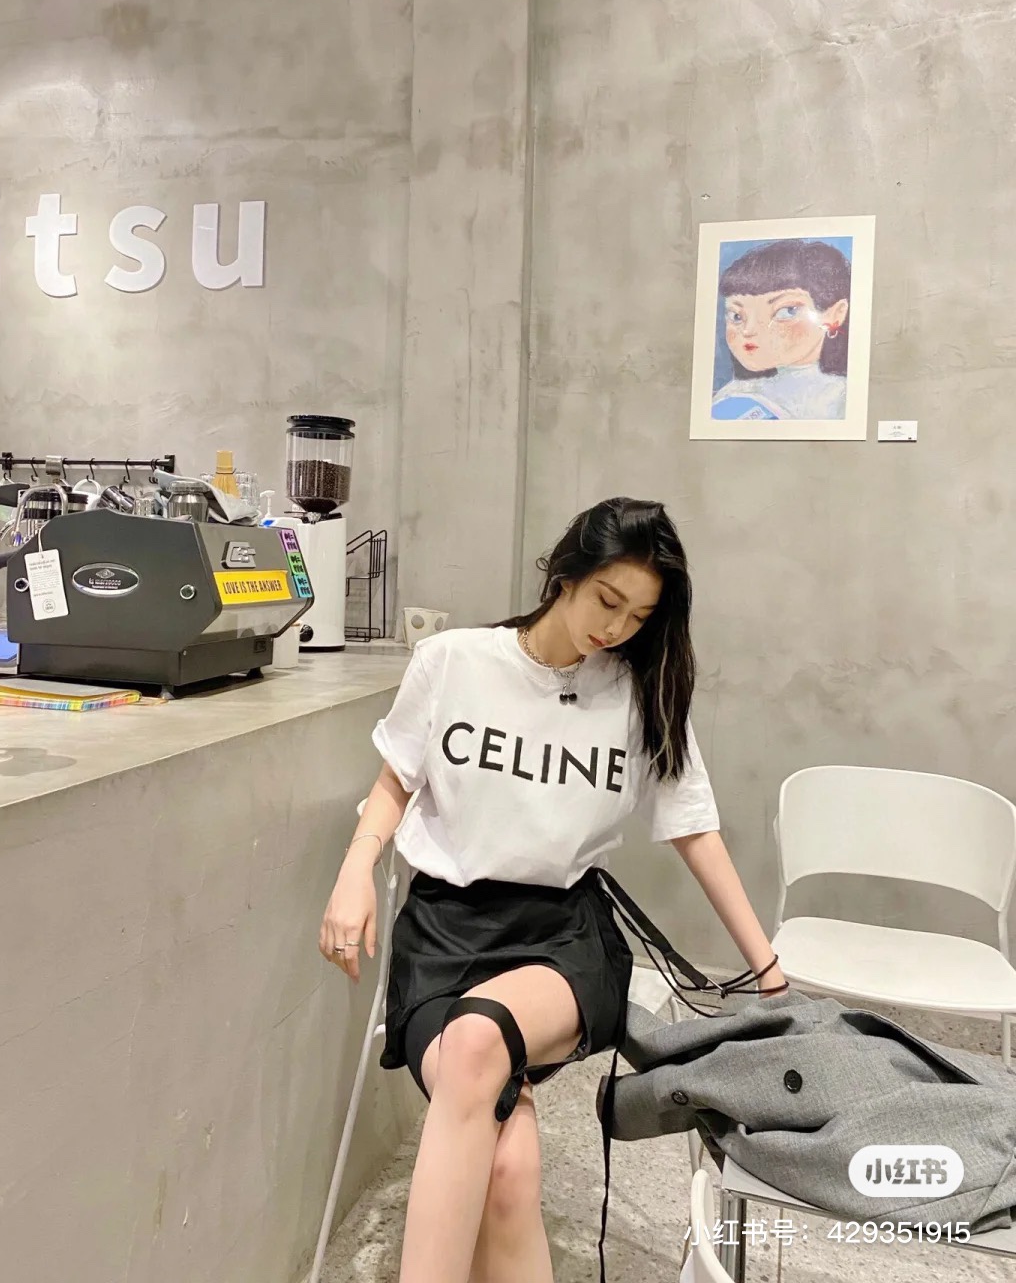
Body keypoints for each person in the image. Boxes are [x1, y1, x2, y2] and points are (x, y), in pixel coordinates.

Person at [319, 498, 787, 1283]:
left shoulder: (641, 695)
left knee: (476, 1043)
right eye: (608, 600)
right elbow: (397, 778)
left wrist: (766, 970)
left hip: (561, 940)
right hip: (444, 934)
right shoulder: (454, 661)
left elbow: (695, 831)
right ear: (565, 572)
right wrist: (354, 870)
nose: (618, 628)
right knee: (508, 1173)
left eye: (639, 616)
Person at [711, 237, 852, 421]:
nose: (748, 330)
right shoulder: (731, 396)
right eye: (737, 316)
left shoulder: (844, 398)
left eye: (787, 311)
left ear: (835, 314)